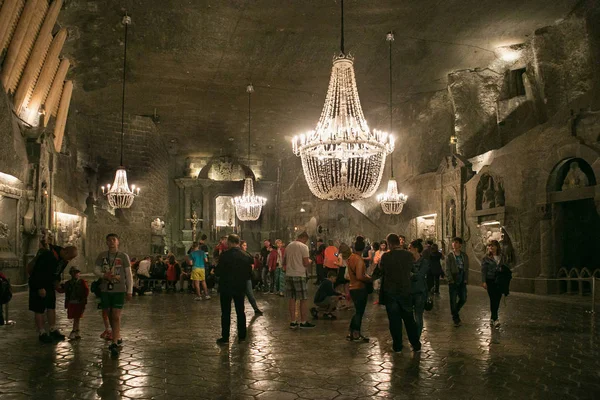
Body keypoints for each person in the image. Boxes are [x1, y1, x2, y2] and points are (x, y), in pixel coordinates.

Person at [380, 233, 421, 353]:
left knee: (394, 321)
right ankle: (416, 345)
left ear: (390, 244)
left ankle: (397, 346)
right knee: (409, 320)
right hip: (405, 291)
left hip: (391, 293)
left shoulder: (386, 257)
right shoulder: (408, 255)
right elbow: (413, 269)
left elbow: (382, 270)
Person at [29, 244, 78, 343]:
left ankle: (52, 329)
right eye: (71, 257)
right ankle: (41, 332)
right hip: (38, 284)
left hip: (49, 285)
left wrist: (57, 282)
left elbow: (57, 272)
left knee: (51, 306)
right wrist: (40, 287)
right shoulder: (48, 255)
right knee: (39, 309)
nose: (70, 260)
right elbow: (38, 271)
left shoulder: (63, 260)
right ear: (65, 252)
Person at [94, 233, 133, 356]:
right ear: (106, 242)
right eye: (109, 240)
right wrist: (103, 275)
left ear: (118, 242)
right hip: (105, 289)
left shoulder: (123, 256)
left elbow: (128, 274)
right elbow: (96, 269)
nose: (111, 242)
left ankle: (114, 342)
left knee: (116, 315)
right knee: (109, 314)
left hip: (119, 289)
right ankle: (117, 335)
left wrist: (130, 290)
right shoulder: (102, 256)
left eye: (113, 240)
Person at [215, 234, 252, 344]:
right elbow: (249, 273)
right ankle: (242, 336)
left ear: (230, 242)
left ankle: (225, 337)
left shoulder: (225, 255)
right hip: (240, 286)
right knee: (240, 311)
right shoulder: (246, 255)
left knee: (225, 312)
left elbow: (218, 272)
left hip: (226, 286)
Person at [283, 231, 315, 329]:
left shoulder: (288, 246)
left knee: (292, 299)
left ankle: (293, 321)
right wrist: (310, 261)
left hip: (289, 274)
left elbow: (284, 261)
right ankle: (303, 321)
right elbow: (305, 263)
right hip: (299, 275)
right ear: (304, 238)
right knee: (303, 299)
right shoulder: (304, 247)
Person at [346, 238, 372, 342]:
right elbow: (360, 276)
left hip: (352, 287)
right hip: (359, 288)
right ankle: (356, 334)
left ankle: (351, 332)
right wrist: (369, 279)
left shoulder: (351, 257)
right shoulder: (359, 260)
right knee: (359, 312)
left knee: (357, 311)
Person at [481, 240, 507, 328]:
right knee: (493, 299)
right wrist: (483, 281)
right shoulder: (486, 258)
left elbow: (506, 267)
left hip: (499, 280)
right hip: (490, 280)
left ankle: (492, 318)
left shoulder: (502, 256)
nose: (491, 247)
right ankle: (496, 319)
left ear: (497, 246)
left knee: (498, 299)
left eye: (492, 246)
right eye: (489, 246)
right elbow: (483, 270)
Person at [408, 240, 430, 340]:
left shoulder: (424, 262)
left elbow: (420, 276)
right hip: (408, 291)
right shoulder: (408, 261)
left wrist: (410, 275)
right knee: (409, 318)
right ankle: (412, 336)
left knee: (418, 316)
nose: (408, 250)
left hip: (420, 292)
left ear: (415, 249)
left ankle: (416, 339)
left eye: (410, 248)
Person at [446, 237, 469, 327]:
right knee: (453, 299)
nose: (454, 244)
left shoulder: (464, 255)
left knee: (463, 298)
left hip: (462, 278)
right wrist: (450, 279)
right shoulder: (450, 256)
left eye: (456, 242)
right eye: (453, 242)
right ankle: (456, 318)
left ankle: (455, 311)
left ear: (460, 244)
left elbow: (466, 268)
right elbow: (447, 268)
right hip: (454, 278)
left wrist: (466, 278)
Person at [61, 266, 89, 340]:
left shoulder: (82, 282)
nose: (76, 274)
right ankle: (76, 331)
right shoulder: (68, 283)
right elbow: (63, 290)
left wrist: (84, 300)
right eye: (74, 273)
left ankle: (74, 330)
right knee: (75, 317)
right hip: (72, 302)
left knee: (77, 317)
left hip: (79, 302)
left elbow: (86, 291)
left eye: (77, 272)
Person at [241, 241, 263, 315]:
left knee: (250, 294)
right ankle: (241, 310)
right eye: (244, 245)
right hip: (241, 278)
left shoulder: (247, 254)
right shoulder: (240, 255)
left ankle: (255, 308)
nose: (245, 247)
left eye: (246, 245)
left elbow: (252, 264)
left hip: (247, 277)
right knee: (241, 296)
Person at [335, 243, 351, 309]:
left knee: (338, 288)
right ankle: (348, 304)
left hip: (342, 272)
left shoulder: (340, 255)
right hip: (348, 272)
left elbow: (341, 264)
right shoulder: (350, 255)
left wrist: (335, 263)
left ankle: (342, 303)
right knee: (347, 289)